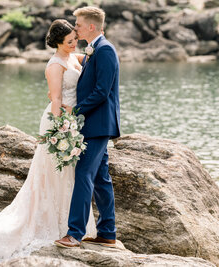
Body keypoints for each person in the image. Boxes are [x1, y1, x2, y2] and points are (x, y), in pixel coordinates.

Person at [0, 19, 97, 262]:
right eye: (69, 41)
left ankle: (71, 225)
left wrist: (95, 48)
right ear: (57, 42)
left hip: (73, 121)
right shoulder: (55, 65)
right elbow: (55, 99)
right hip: (60, 122)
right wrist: (59, 131)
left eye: (75, 39)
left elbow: (88, 60)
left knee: (69, 175)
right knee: (52, 174)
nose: (74, 43)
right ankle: (51, 225)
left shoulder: (72, 57)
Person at [54, 6, 121, 248]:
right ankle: (107, 233)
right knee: (101, 178)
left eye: (79, 24)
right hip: (93, 123)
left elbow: (102, 92)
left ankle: (74, 234)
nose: (76, 28)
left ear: (91, 27)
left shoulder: (104, 51)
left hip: (98, 124)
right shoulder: (94, 50)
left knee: (83, 175)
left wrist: (76, 110)